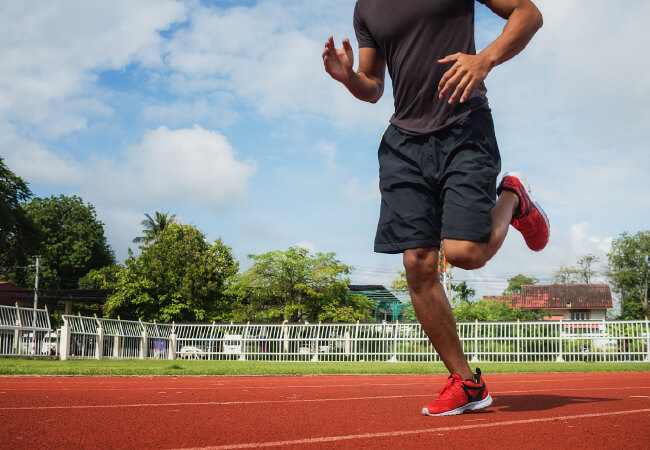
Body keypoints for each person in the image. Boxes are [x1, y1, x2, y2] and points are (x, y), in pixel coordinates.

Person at [323, 0, 547, 416]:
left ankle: (512, 197)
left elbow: (528, 13)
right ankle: (467, 383)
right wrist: (349, 78)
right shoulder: (365, 8)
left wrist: (484, 60)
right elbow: (372, 85)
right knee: (417, 263)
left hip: (465, 127)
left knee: (464, 253)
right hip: (403, 142)